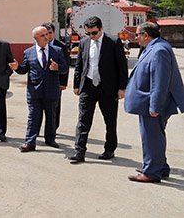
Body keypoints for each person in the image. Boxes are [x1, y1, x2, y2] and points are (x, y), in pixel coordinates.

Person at [125, 22, 184, 183]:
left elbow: (160, 82)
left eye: (137, 35)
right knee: (155, 136)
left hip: (153, 104)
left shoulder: (159, 51)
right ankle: (160, 167)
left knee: (151, 137)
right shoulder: (154, 47)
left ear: (146, 35)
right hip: (149, 102)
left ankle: (151, 172)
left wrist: (155, 106)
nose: (135, 38)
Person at [68, 16, 128, 164]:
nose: (91, 36)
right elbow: (79, 66)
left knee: (110, 121)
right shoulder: (84, 43)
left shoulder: (113, 42)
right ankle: (79, 151)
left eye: (94, 33)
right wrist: (76, 85)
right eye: (88, 33)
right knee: (83, 120)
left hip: (107, 88)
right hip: (88, 87)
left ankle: (109, 149)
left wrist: (122, 88)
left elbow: (122, 67)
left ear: (101, 29)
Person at [13, 26, 68, 152]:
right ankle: (30, 142)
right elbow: (24, 69)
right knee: (33, 117)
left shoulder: (57, 50)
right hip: (34, 91)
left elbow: (65, 68)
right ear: (36, 38)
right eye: (43, 35)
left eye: (47, 34)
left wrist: (57, 67)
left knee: (51, 116)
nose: (46, 37)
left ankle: (50, 139)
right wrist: (16, 67)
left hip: (51, 89)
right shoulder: (28, 52)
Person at [42, 22, 70, 133]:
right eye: (45, 33)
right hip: (42, 82)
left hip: (56, 82)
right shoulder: (39, 44)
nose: (47, 36)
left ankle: (53, 128)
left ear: (54, 33)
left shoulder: (61, 47)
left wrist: (63, 83)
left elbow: (66, 65)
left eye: (50, 33)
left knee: (55, 107)